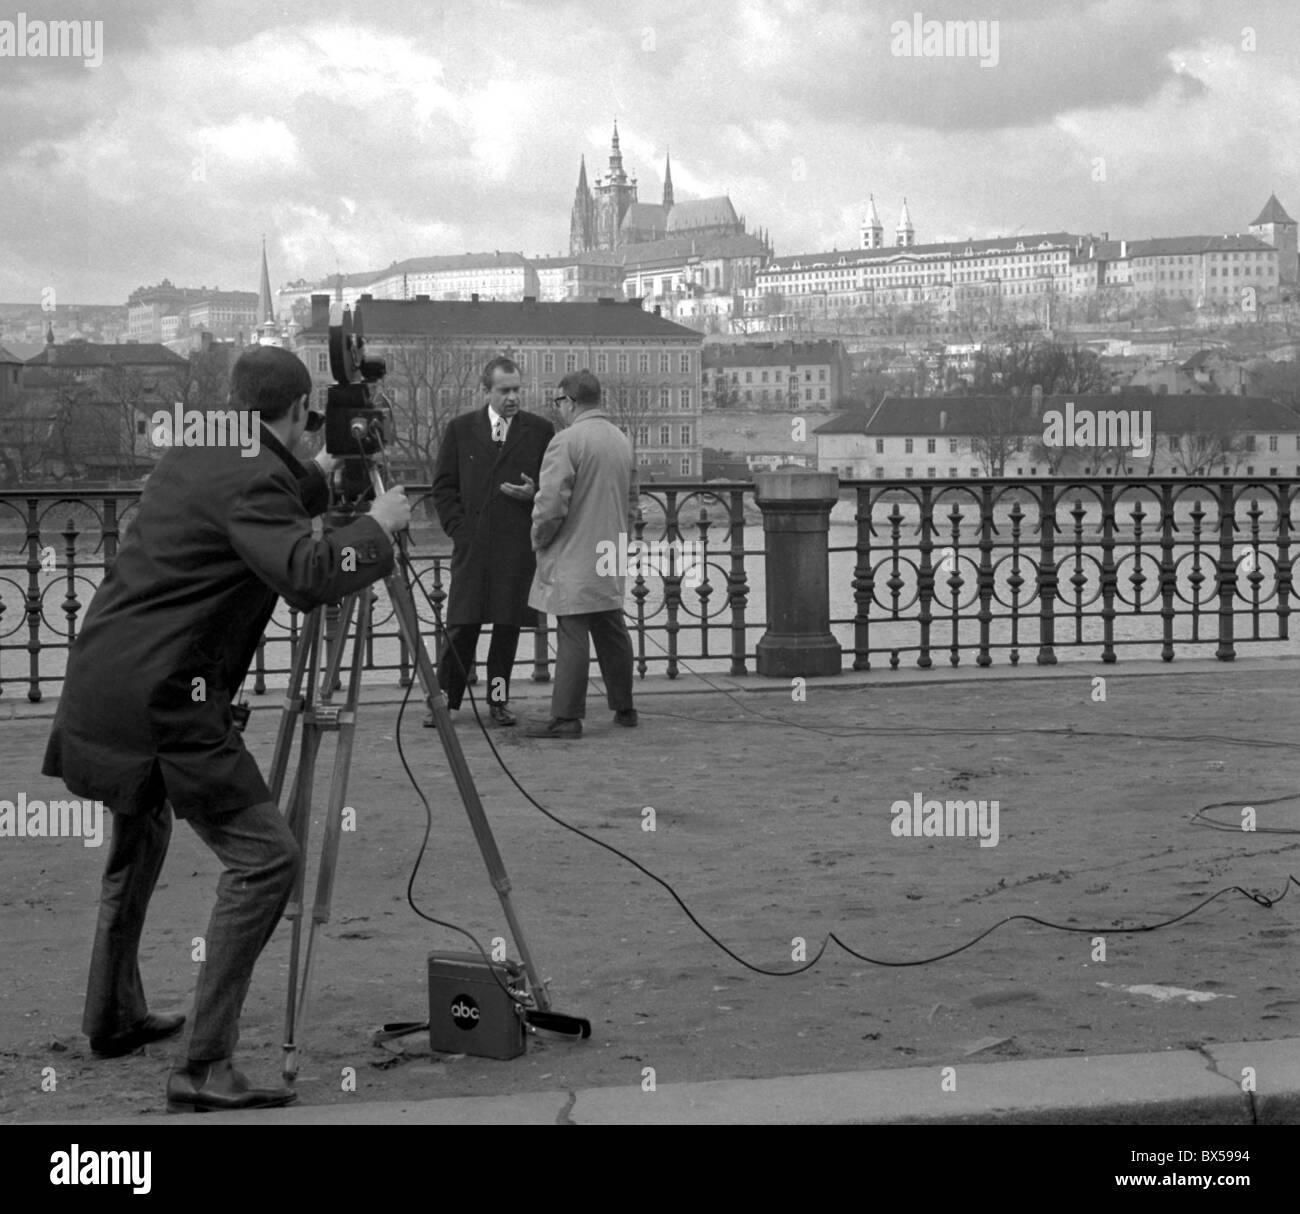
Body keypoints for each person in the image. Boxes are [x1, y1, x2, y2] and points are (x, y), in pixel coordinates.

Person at [41, 345, 411, 1112]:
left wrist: (320, 462)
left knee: (137, 842)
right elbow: (308, 577)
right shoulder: (249, 474)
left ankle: (113, 1015)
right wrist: (377, 526)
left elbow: (274, 491)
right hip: (164, 698)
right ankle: (204, 1067)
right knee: (267, 861)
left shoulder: (203, 450)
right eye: (310, 416)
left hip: (106, 680)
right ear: (296, 410)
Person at [429, 355, 554, 726]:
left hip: (515, 548)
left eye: (517, 390)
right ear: (486, 392)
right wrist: (460, 531)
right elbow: (443, 487)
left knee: (507, 628)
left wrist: (534, 494)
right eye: (505, 391)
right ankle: (445, 703)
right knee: (462, 626)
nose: (513, 397)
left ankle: (498, 702)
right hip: (473, 545)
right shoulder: (461, 429)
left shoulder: (539, 430)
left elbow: (552, 488)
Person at [524, 369, 637, 739]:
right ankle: (624, 706)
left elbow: (552, 505)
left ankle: (567, 717)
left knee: (572, 628)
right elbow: (632, 502)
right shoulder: (621, 439)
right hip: (611, 549)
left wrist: (539, 537)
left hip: (575, 550)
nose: (558, 409)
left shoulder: (566, 441)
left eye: (559, 402)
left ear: (570, 401)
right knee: (611, 626)